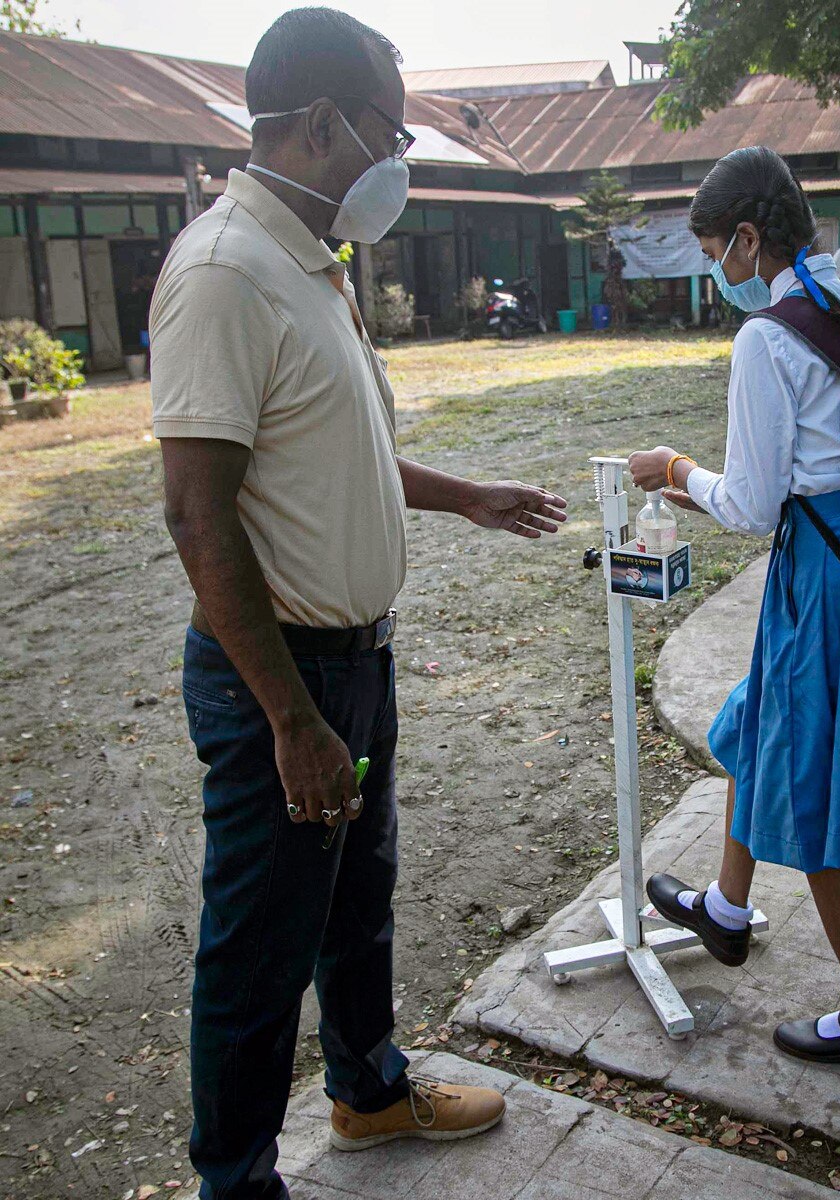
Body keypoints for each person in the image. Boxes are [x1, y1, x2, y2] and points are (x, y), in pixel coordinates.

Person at [149, 10, 567, 1198]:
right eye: (392, 128)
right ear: (325, 122)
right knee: (259, 948)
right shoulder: (227, 271)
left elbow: (337, 455)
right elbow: (198, 513)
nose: (402, 156)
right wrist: (289, 717)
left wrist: (462, 496)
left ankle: (368, 1093)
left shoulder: (311, 263)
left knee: (355, 902)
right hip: (283, 674)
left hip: (358, 662)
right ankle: (235, 1181)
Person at [628, 146, 840, 1067]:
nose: (714, 273)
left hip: (823, 576)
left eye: (712, 253)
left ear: (746, 238)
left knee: (812, 799)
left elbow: (752, 506)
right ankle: (727, 909)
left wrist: (674, 472)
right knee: (752, 726)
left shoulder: (767, 338)